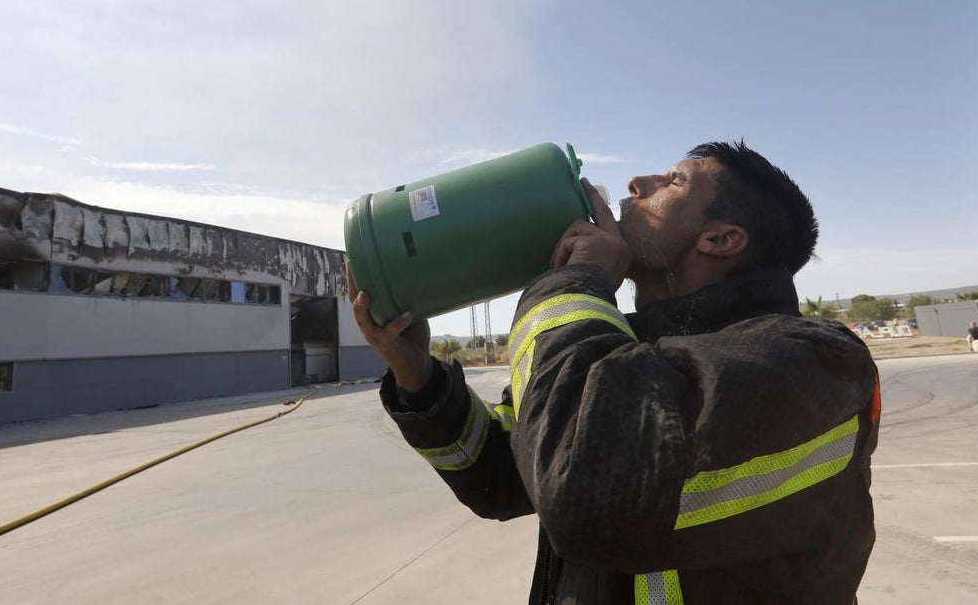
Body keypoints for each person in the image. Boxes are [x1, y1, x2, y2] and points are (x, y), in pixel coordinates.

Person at [349, 141, 880, 604]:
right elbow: (502, 480)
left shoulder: (811, 364)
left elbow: (584, 492)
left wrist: (572, 286)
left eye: (673, 181)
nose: (636, 182)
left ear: (721, 240)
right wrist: (415, 371)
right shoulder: (617, 352)